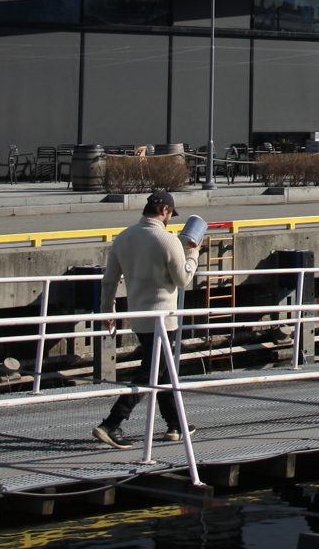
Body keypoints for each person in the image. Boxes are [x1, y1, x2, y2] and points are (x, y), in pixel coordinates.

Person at [92, 191, 198, 449]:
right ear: (164, 211)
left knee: (159, 370)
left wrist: (108, 311)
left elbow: (109, 280)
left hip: (138, 315)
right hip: (163, 318)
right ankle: (112, 423)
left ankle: (176, 425)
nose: (171, 219)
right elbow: (183, 280)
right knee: (152, 372)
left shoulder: (124, 237)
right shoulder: (168, 240)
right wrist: (193, 254)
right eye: (171, 214)